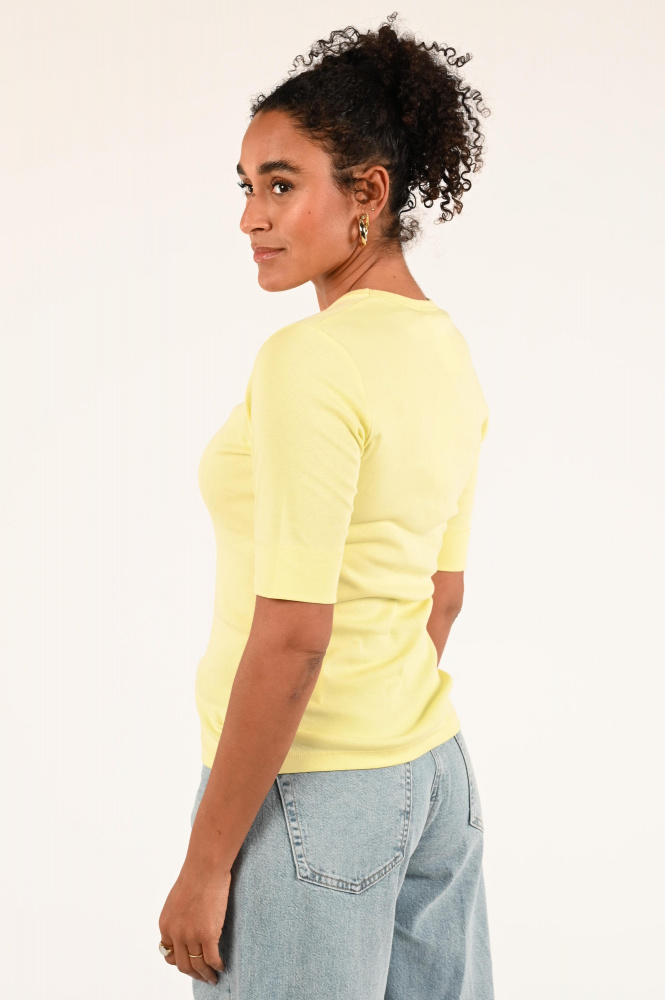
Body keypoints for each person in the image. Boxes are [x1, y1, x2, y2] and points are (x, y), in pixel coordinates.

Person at [158, 12, 494, 999]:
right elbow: (441, 593)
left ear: (367, 194)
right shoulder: (444, 348)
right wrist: (379, 730)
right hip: (430, 776)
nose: (250, 217)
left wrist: (207, 861)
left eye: (280, 183)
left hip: (303, 791)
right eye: (245, 186)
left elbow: (294, 634)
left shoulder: (311, 359)